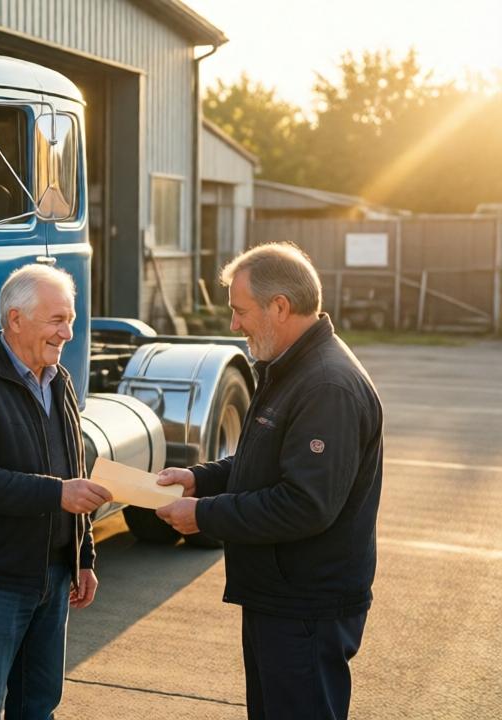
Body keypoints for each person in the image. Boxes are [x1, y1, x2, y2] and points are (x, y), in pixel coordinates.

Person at [155, 242, 383, 720]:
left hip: (306, 609)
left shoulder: (326, 386)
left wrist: (203, 515)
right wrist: (199, 480)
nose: (234, 324)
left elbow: (304, 503)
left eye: (241, 311)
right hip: (282, 598)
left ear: (280, 307)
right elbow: (263, 462)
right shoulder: (288, 368)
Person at [0, 263, 112, 720]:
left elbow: (74, 468)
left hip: (55, 576)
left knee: (38, 705)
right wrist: (56, 494)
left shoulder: (61, 382)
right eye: (58, 320)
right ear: (16, 319)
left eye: (70, 319)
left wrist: (84, 557)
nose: (69, 333)